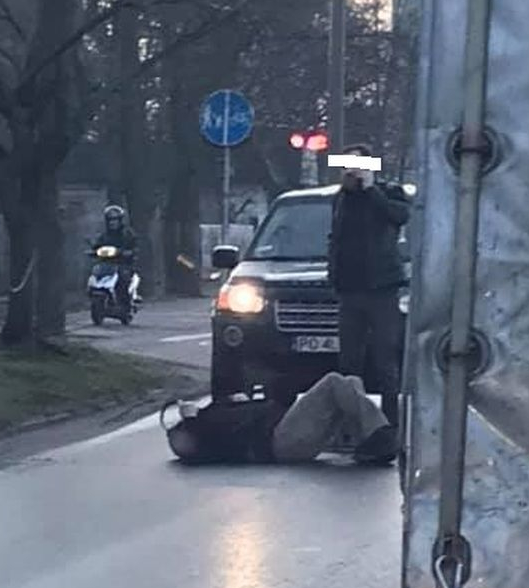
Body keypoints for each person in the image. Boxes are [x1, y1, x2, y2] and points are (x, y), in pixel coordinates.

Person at [328, 143, 410, 427]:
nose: (351, 171)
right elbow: (336, 239)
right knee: (349, 363)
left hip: (381, 288)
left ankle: (390, 424)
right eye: (346, 165)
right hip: (350, 289)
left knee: (385, 359)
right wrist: (334, 277)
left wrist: (370, 188)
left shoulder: (388, 192)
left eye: (358, 164)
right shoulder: (341, 199)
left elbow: (399, 216)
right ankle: (353, 423)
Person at [168, 373, 400, 466]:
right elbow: (191, 448)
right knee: (333, 383)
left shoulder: (219, 413)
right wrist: (191, 419)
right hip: (278, 440)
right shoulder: (204, 428)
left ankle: (365, 442)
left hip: (285, 430)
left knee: (351, 382)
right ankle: (380, 435)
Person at [93, 204, 138, 310]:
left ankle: (125, 303)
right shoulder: (104, 235)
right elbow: (97, 245)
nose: (112, 222)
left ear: (120, 221)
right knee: (95, 273)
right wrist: (93, 251)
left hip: (123, 263)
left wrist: (129, 252)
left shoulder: (127, 233)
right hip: (106, 263)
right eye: (110, 220)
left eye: (115, 220)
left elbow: (135, 245)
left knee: (123, 278)